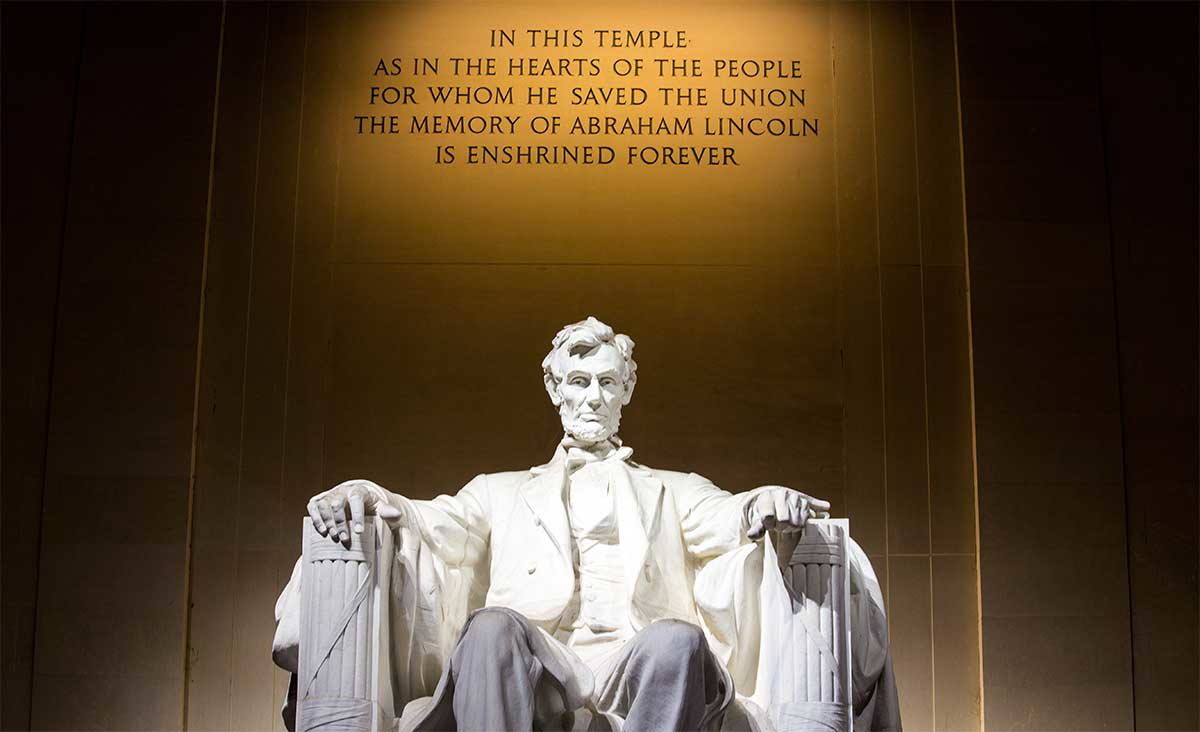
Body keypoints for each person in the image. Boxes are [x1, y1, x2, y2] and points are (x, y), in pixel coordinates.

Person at [273, 316, 900, 731]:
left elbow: (727, 518)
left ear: (627, 390)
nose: (593, 397)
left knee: (679, 639)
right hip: (538, 663)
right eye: (578, 382)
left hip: (639, 660)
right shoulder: (500, 492)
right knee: (489, 629)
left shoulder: (673, 490)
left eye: (607, 382)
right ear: (554, 390)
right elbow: (434, 523)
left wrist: (765, 500)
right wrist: (370, 493)